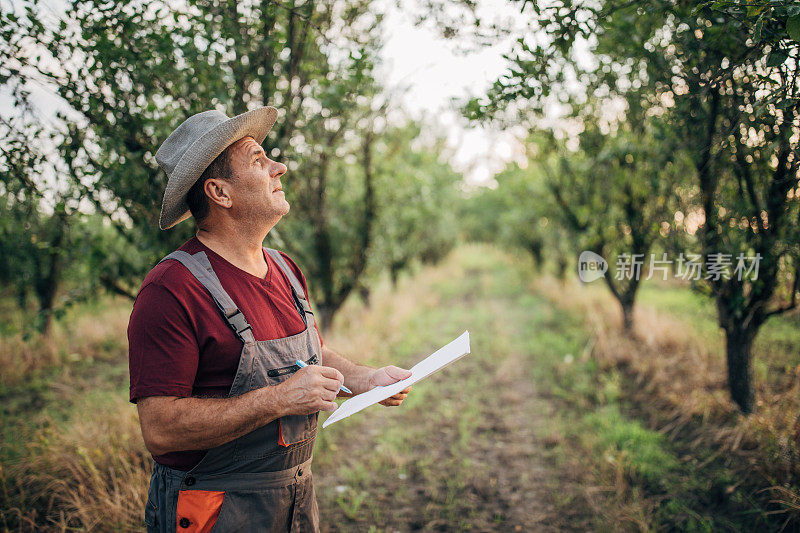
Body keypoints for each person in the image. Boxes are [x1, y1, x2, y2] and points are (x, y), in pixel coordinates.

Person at [128, 106, 412, 532]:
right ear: (219, 192)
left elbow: (311, 355)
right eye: (259, 161)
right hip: (213, 511)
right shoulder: (171, 289)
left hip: (295, 500)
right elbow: (161, 429)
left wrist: (365, 381)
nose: (280, 167)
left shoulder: (284, 268)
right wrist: (279, 399)